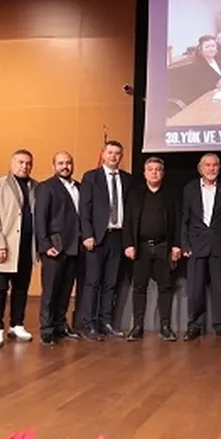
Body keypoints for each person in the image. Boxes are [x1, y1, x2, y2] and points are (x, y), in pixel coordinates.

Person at [0, 150, 37, 348]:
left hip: (26, 247)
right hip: (3, 247)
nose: (25, 166)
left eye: (28, 163)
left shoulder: (36, 187)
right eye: (21, 162)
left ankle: (17, 324)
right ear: (12, 163)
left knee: (21, 289)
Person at [79, 140, 133, 340]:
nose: (113, 156)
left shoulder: (128, 180)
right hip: (96, 238)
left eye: (117, 153)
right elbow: (84, 209)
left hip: (118, 238)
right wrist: (87, 234)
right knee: (93, 282)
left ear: (121, 156)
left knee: (111, 283)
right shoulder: (91, 177)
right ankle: (89, 324)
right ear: (103, 154)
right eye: (110, 152)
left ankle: (106, 321)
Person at [123, 157, 181, 341]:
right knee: (139, 287)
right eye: (151, 169)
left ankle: (165, 326)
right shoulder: (135, 194)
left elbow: (178, 221)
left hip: (164, 246)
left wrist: (176, 245)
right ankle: (137, 326)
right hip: (141, 247)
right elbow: (128, 221)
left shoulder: (171, 194)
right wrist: (128, 244)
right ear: (144, 173)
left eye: (158, 169)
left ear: (163, 173)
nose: (154, 172)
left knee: (165, 287)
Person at [181, 153, 221, 341]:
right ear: (200, 168)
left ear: (219, 168)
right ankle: (195, 325)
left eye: (215, 165)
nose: (211, 169)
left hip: (220, 244)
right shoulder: (189, 189)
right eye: (207, 165)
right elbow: (184, 219)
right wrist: (185, 243)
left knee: (220, 288)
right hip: (196, 245)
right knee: (195, 290)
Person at [34, 151, 83, 345]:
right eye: (61, 163)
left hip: (74, 246)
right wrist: (45, 245)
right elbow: (40, 218)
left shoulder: (78, 186)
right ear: (53, 166)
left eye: (68, 163)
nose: (65, 167)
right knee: (50, 290)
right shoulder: (46, 187)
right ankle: (46, 329)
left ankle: (60, 325)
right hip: (54, 247)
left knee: (65, 290)